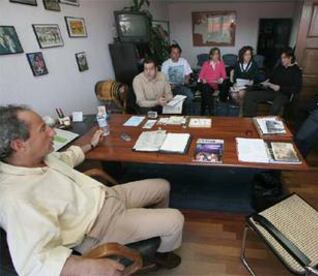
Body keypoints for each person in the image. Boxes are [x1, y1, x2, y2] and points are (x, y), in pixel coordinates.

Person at [0, 105, 184, 275]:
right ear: (19, 145)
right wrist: (88, 266)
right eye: (43, 129)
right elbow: (35, 261)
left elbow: (67, 158)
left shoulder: (41, 157)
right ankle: (161, 256)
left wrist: (91, 145)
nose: (52, 132)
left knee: (162, 185)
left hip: (106, 195)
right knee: (175, 220)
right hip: (100, 226)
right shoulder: (15, 197)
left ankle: (152, 229)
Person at [243, 47, 303, 117]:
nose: (282, 60)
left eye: (284, 58)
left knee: (275, 107)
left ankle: (269, 124)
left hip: (284, 95)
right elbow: (271, 77)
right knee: (250, 95)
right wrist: (266, 81)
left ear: (290, 58)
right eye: (281, 58)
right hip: (272, 92)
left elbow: (297, 89)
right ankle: (249, 119)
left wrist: (280, 88)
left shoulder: (296, 71)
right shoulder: (280, 67)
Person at [161, 44, 195, 114]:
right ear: (170, 54)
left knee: (190, 96)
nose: (176, 55)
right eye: (174, 53)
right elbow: (162, 80)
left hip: (181, 85)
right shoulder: (165, 64)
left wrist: (187, 78)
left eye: (178, 53)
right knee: (167, 99)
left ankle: (183, 111)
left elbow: (188, 74)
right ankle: (175, 112)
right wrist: (169, 85)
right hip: (170, 87)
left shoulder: (183, 61)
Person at [229, 46, 260, 115]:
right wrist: (234, 83)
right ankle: (242, 107)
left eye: (249, 54)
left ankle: (241, 112)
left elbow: (257, 76)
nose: (248, 56)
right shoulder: (238, 63)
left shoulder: (254, 64)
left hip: (248, 85)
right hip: (239, 84)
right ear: (242, 55)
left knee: (241, 93)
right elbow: (235, 76)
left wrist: (252, 80)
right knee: (233, 95)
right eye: (246, 54)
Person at [198, 47, 228, 115]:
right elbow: (201, 76)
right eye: (214, 54)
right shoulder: (206, 63)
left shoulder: (221, 63)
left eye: (218, 54)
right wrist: (203, 80)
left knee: (225, 83)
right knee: (206, 89)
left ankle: (203, 109)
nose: (216, 56)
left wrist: (221, 79)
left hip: (215, 85)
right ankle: (211, 110)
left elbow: (224, 75)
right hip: (206, 84)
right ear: (211, 55)